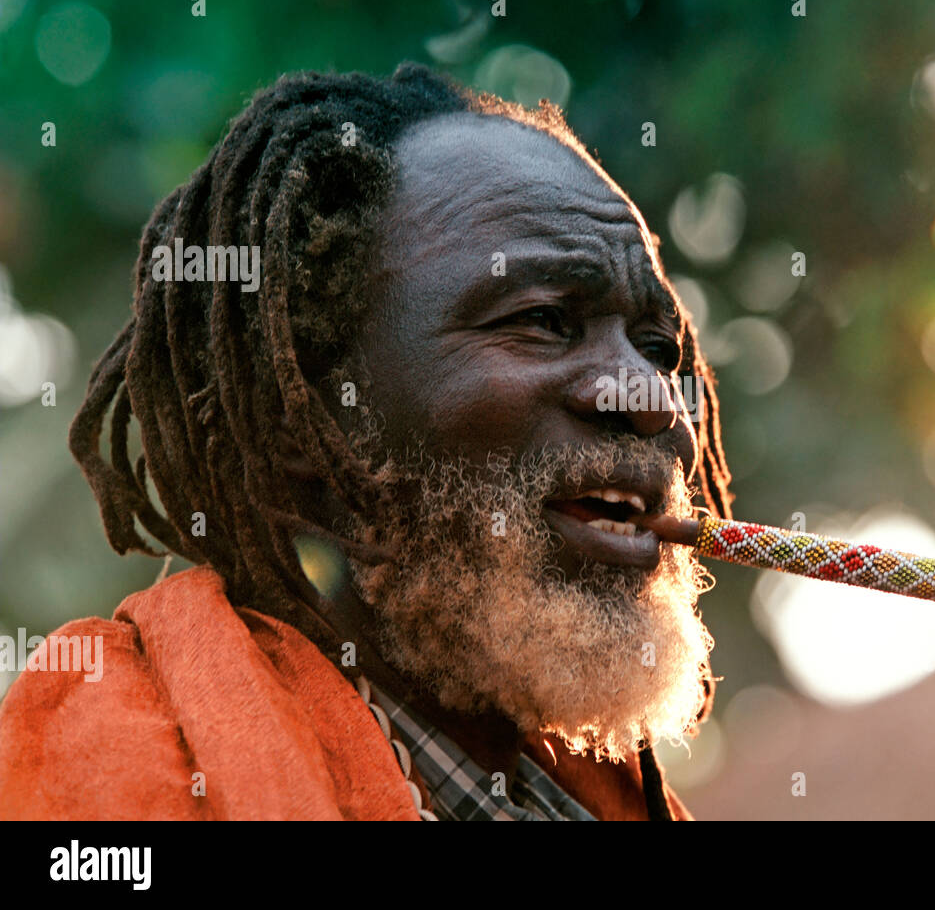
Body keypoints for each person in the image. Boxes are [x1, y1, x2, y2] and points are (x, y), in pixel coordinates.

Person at [0, 63, 733, 821]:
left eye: (658, 347)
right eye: (545, 320)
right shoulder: (95, 784)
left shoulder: (598, 801)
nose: (650, 399)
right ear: (300, 418)